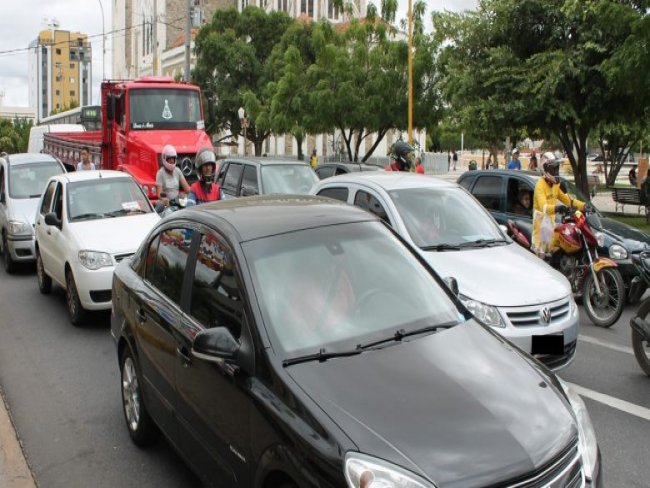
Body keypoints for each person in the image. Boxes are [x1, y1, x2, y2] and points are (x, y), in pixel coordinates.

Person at [532, 152, 588, 255]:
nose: (556, 172)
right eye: (554, 169)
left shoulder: (555, 185)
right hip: (541, 229)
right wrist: (558, 208)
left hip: (551, 225)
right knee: (543, 260)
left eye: (557, 169)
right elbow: (543, 207)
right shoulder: (540, 185)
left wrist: (584, 206)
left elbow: (569, 201)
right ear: (546, 169)